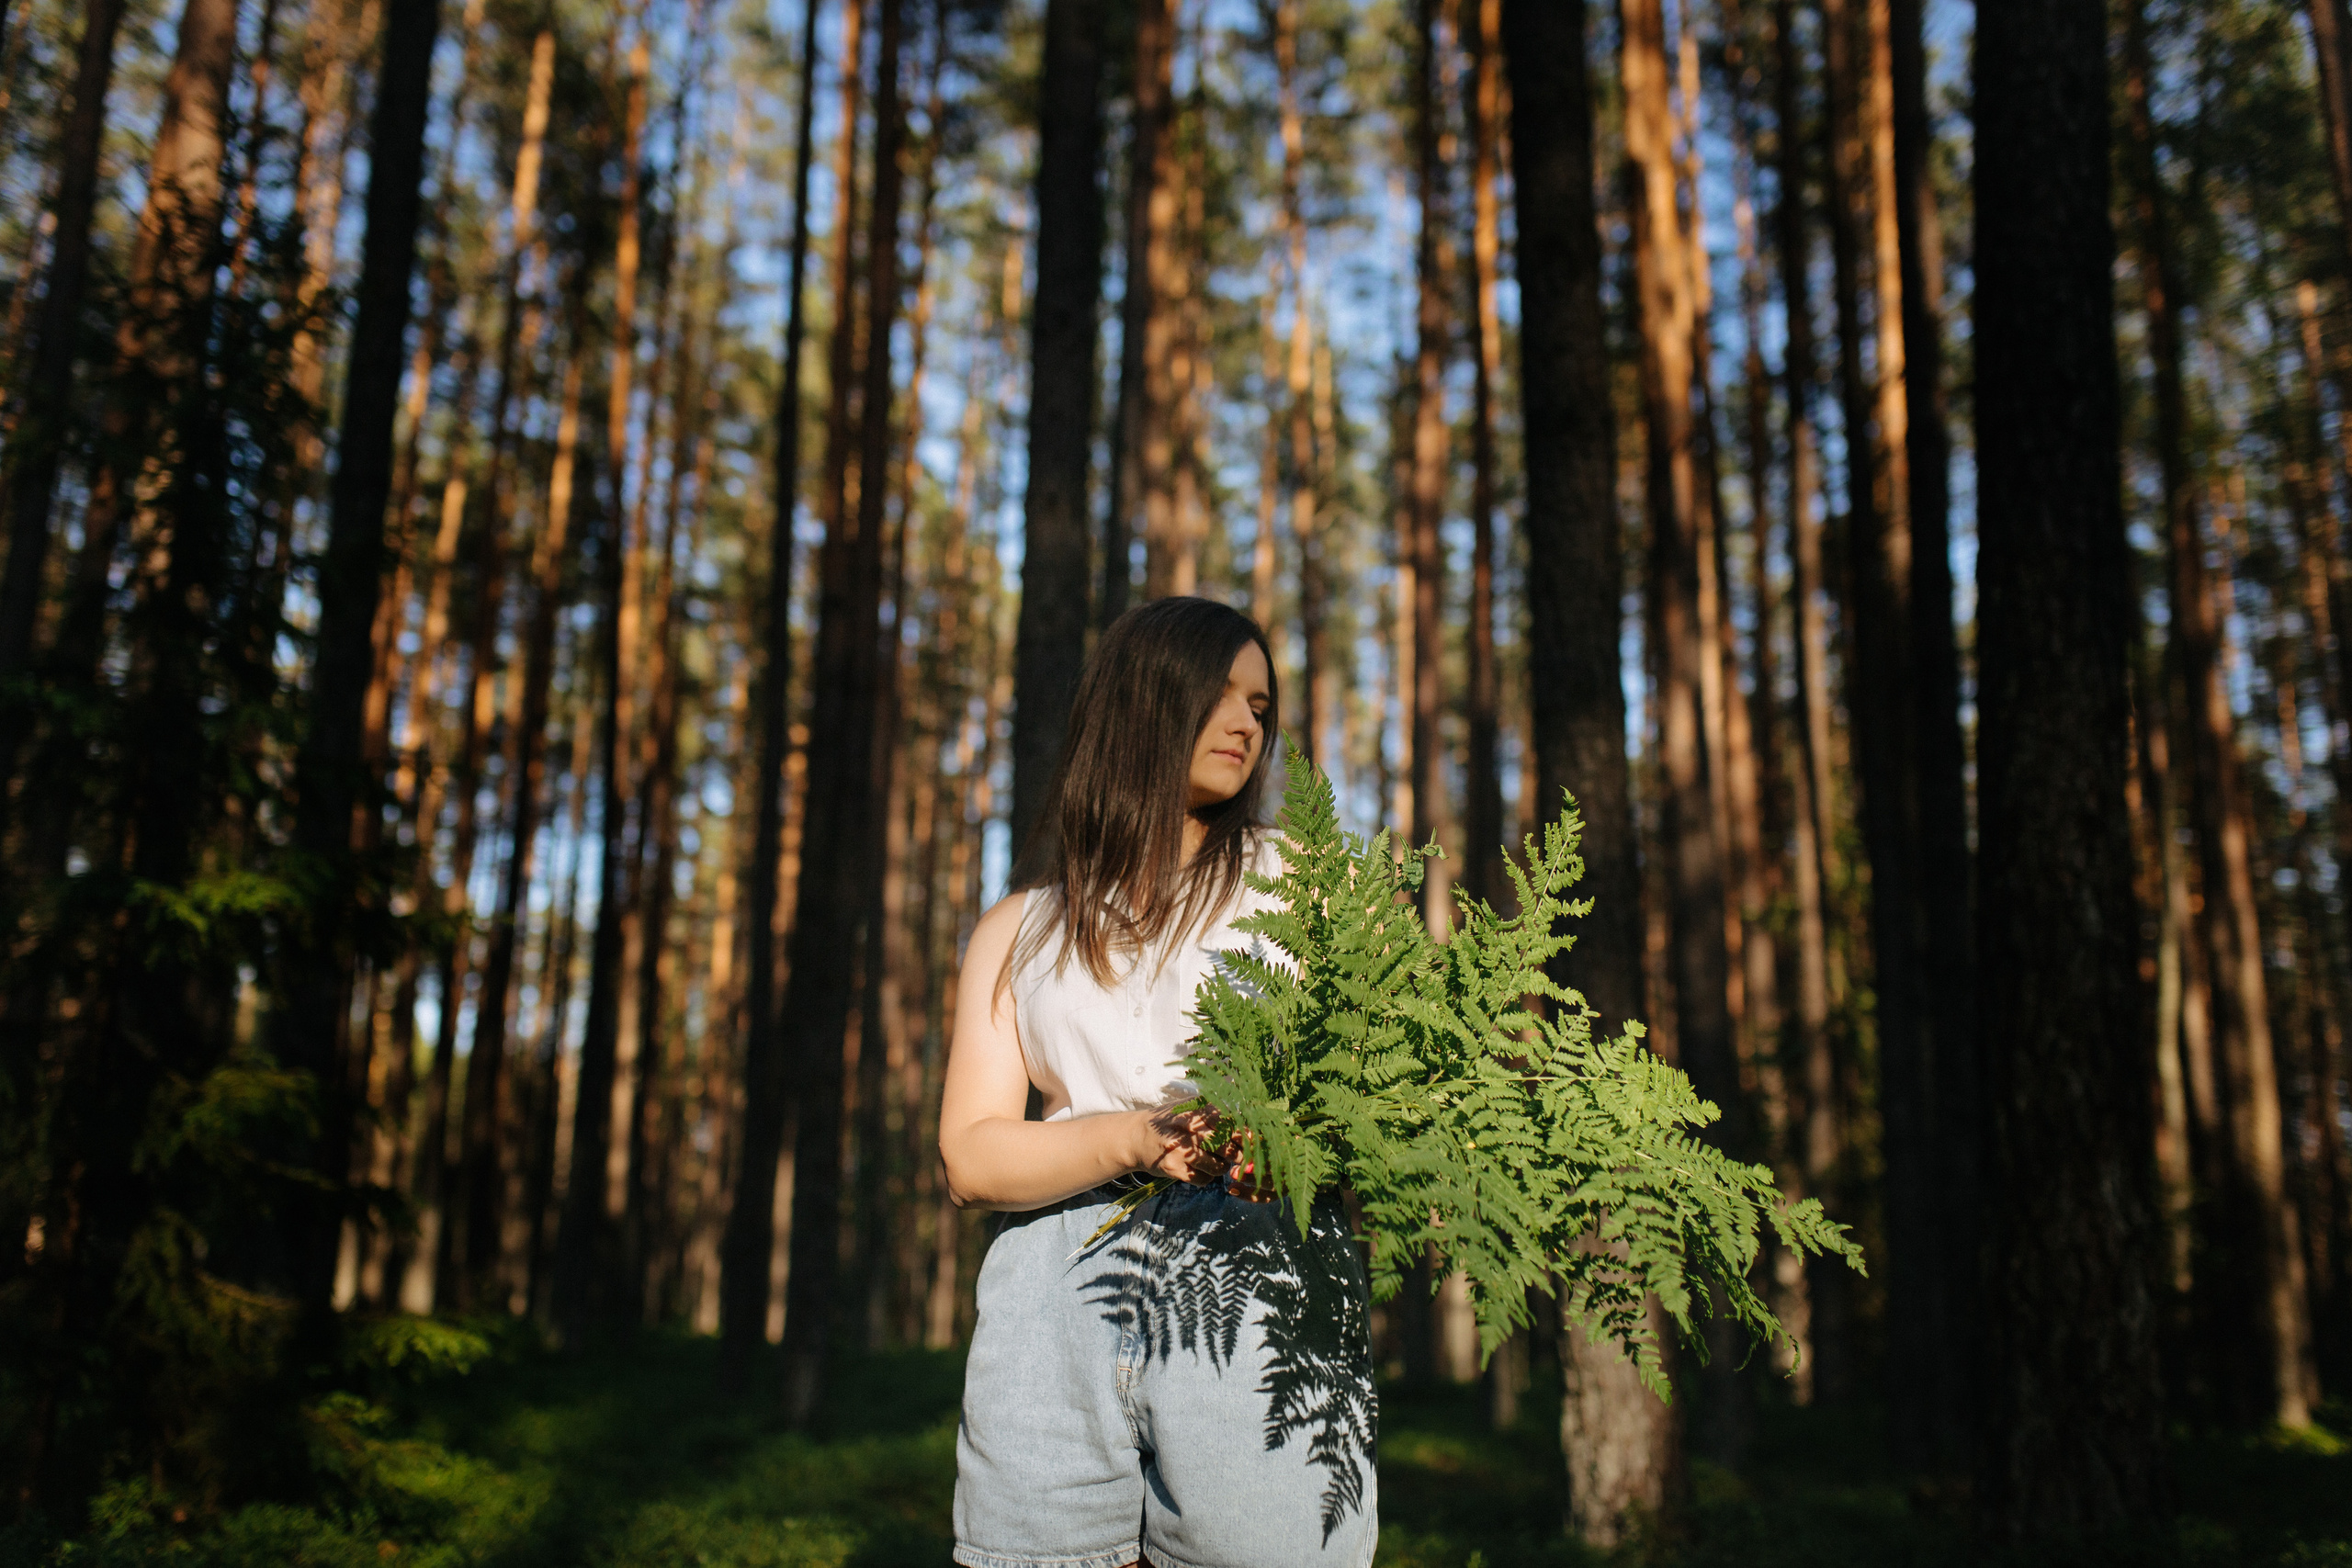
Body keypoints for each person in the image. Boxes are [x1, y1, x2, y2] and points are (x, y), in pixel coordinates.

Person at [939, 596, 1376, 1568]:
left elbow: (1384, 1098)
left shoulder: (1309, 888)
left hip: (1256, 1274)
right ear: (1139, 701)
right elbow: (970, 1153)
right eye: (1218, 694)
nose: (1245, 724)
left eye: (1260, 706)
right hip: (1050, 1299)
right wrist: (1137, 1136)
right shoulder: (1021, 928)